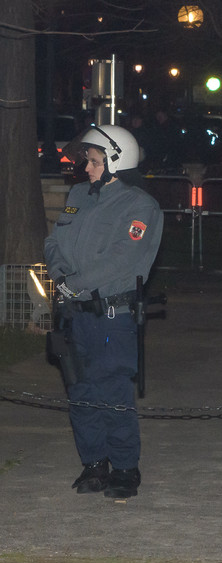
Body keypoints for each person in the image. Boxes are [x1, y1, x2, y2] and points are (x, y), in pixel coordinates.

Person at [44, 124, 164, 499]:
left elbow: (123, 258)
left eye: (94, 161)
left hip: (112, 314)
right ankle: (94, 463)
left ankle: (125, 467)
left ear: (116, 161)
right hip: (74, 313)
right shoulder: (79, 195)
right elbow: (54, 241)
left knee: (112, 391)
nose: (87, 168)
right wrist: (60, 277)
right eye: (87, 162)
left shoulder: (139, 205)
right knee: (80, 391)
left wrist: (76, 283)